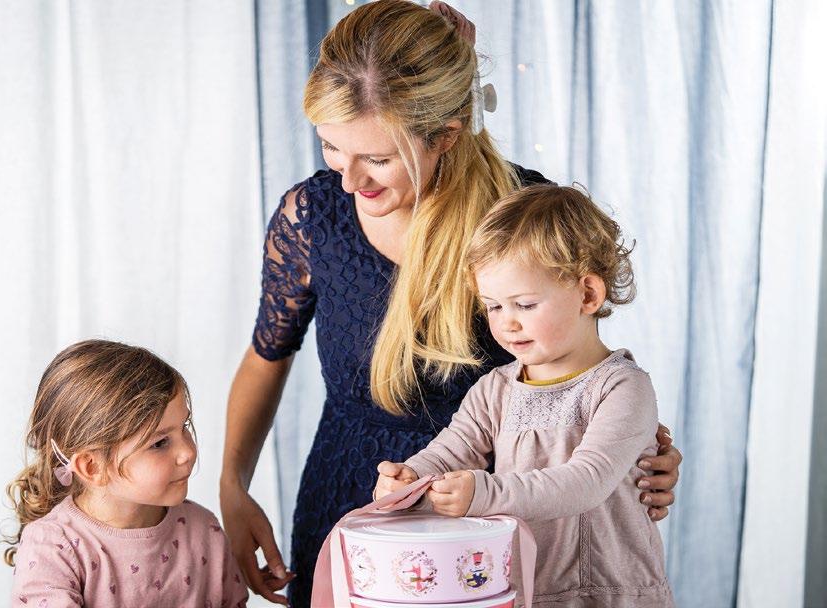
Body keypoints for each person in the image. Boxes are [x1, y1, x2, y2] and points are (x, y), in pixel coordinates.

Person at [218, 2, 682, 606]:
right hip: (353, 498)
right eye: (332, 147)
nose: (350, 180)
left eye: (378, 159)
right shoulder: (313, 215)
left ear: (445, 135)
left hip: (498, 521)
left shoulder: (519, 216)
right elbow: (267, 355)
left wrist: (637, 452)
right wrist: (233, 486)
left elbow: (575, 369)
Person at [376, 184, 674, 606]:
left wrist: (483, 493)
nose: (507, 324)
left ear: (588, 294)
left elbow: (586, 482)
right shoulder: (494, 390)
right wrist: (409, 480)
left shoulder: (622, 387)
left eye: (525, 304)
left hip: (612, 594)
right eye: (494, 306)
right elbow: (449, 453)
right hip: (525, 592)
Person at [4, 340, 247, 608]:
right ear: (92, 467)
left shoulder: (204, 529)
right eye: (159, 443)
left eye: (184, 427)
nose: (187, 452)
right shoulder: (53, 548)